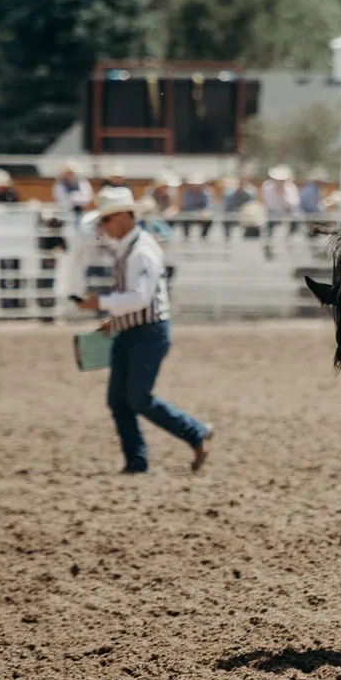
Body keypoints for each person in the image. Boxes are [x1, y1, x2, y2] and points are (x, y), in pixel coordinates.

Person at [76, 187, 213, 474]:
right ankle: (136, 460)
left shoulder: (141, 250)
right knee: (119, 399)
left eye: (106, 220)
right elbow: (136, 298)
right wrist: (114, 318)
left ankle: (194, 432)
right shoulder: (132, 247)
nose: (103, 227)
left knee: (137, 397)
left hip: (148, 333)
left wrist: (100, 303)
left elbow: (140, 298)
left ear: (124, 216)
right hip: (134, 331)